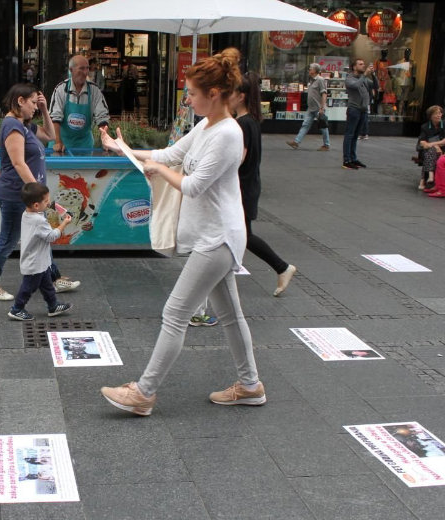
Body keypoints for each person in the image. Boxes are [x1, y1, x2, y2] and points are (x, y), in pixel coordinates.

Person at [98, 49, 267, 416]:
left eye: (192, 93)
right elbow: (169, 153)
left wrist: (159, 171)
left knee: (175, 313)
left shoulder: (227, 134)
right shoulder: (207, 126)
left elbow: (191, 185)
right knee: (230, 315)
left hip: (218, 237)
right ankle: (250, 385)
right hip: (216, 235)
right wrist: (122, 147)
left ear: (215, 94)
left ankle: (144, 392)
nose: (187, 99)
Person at [191, 71, 299, 327]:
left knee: (231, 242)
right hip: (245, 189)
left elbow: (234, 160)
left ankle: (282, 267)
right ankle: (280, 268)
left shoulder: (242, 125)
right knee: (233, 242)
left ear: (241, 96)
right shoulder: (248, 122)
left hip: (240, 191)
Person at [0, 83, 80, 301]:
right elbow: (18, 163)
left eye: (37, 103)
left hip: (28, 196)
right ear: (20, 101)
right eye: (33, 103)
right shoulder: (12, 126)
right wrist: (38, 192)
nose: (35, 107)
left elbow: (50, 135)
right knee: (8, 240)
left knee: (40, 237)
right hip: (17, 195)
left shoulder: (23, 125)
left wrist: (45, 109)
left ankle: (54, 279)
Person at [7, 183, 73, 321]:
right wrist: (64, 224)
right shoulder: (38, 220)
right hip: (35, 263)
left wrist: (50, 207)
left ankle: (53, 305)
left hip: (40, 261)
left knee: (47, 285)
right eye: (46, 201)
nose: (49, 203)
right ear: (36, 205)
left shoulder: (28, 214)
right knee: (28, 288)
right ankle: (17, 309)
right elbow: (51, 236)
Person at [50, 55, 110, 152]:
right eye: (81, 69)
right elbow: (55, 117)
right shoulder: (61, 89)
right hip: (61, 144)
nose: (85, 72)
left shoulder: (95, 91)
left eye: (87, 68)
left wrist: (105, 140)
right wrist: (58, 141)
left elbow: (102, 117)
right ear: (71, 70)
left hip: (84, 145)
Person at [286, 63, 330, 151]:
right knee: (305, 125)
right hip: (311, 108)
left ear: (314, 71)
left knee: (323, 126)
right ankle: (296, 142)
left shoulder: (320, 80)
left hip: (318, 108)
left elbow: (324, 94)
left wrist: (322, 107)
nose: (309, 70)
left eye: (310, 69)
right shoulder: (312, 80)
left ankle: (326, 145)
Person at [343, 58, 371, 170]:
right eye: (360, 64)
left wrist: (372, 75)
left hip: (363, 110)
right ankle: (346, 160)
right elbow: (355, 86)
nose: (363, 65)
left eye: (364, 64)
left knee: (355, 135)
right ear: (354, 67)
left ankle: (353, 158)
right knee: (349, 135)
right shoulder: (349, 78)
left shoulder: (363, 78)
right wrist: (365, 75)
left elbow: (374, 86)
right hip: (354, 109)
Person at [416, 105, 445, 191]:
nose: (439, 115)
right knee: (430, 152)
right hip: (428, 150)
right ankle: (430, 175)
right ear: (430, 116)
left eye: (440, 113)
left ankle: (423, 180)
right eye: (436, 113)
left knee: (429, 152)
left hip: (442, 150)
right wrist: (435, 146)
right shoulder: (425, 126)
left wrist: (433, 144)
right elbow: (422, 141)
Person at [359, 63, 379, 139]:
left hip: (365, 102)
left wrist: (373, 74)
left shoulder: (367, 80)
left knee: (364, 118)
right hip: (357, 103)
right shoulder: (353, 78)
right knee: (361, 118)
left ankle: (364, 133)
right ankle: (362, 133)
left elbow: (376, 86)